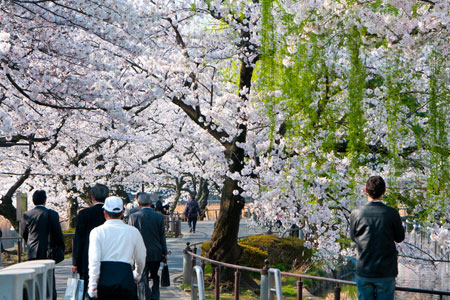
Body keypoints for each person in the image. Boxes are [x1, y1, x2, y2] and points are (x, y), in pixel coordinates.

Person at [350, 176, 405, 300]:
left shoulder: (356, 213)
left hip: (364, 268)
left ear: (365, 190)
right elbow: (400, 238)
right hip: (385, 270)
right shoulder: (392, 213)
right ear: (384, 192)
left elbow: (354, 237)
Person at [88, 196, 146, 300]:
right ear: (122, 212)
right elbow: (141, 257)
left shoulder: (96, 232)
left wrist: (92, 286)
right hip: (125, 277)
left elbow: (94, 261)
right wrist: (137, 274)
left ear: (105, 212)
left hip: (104, 277)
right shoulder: (133, 231)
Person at [20, 190, 65, 300]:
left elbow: (23, 233)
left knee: (33, 279)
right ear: (45, 200)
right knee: (49, 280)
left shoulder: (27, 215)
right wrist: (60, 247)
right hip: (48, 252)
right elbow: (58, 234)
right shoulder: (52, 214)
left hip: (32, 252)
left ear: (33, 201)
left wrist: (29, 244)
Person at [72, 183, 109, 298]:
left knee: (87, 290)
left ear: (92, 197)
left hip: (86, 258)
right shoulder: (111, 214)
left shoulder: (84, 214)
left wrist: (75, 262)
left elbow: (79, 238)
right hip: (107, 257)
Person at [128, 193, 168, 300]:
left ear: (139, 203)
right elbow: (162, 236)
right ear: (151, 203)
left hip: (139, 253)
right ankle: (155, 297)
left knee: (142, 277)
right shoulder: (159, 217)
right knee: (154, 276)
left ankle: (144, 297)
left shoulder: (133, 217)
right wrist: (165, 252)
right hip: (156, 252)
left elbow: (131, 237)